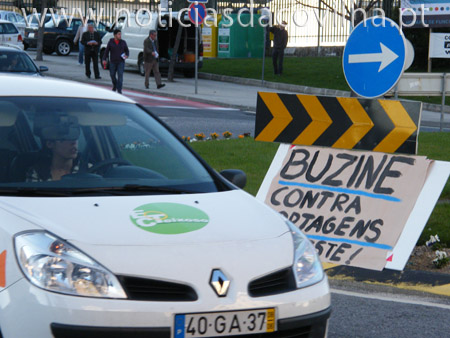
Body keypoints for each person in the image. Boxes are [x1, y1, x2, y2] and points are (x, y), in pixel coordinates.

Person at [26, 115, 82, 182]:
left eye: (75, 137)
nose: (74, 142)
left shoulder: (88, 169)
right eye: (64, 138)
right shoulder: (37, 173)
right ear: (50, 144)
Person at [102, 29, 129, 94]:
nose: (120, 35)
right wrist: (104, 59)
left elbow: (127, 51)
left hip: (121, 62)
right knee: (112, 75)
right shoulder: (111, 42)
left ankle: (119, 90)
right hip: (113, 62)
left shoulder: (123, 42)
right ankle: (115, 85)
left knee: (120, 76)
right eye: (118, 34)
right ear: (115, 35)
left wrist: (127, 55)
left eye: (120, 34)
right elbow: (106, 51)